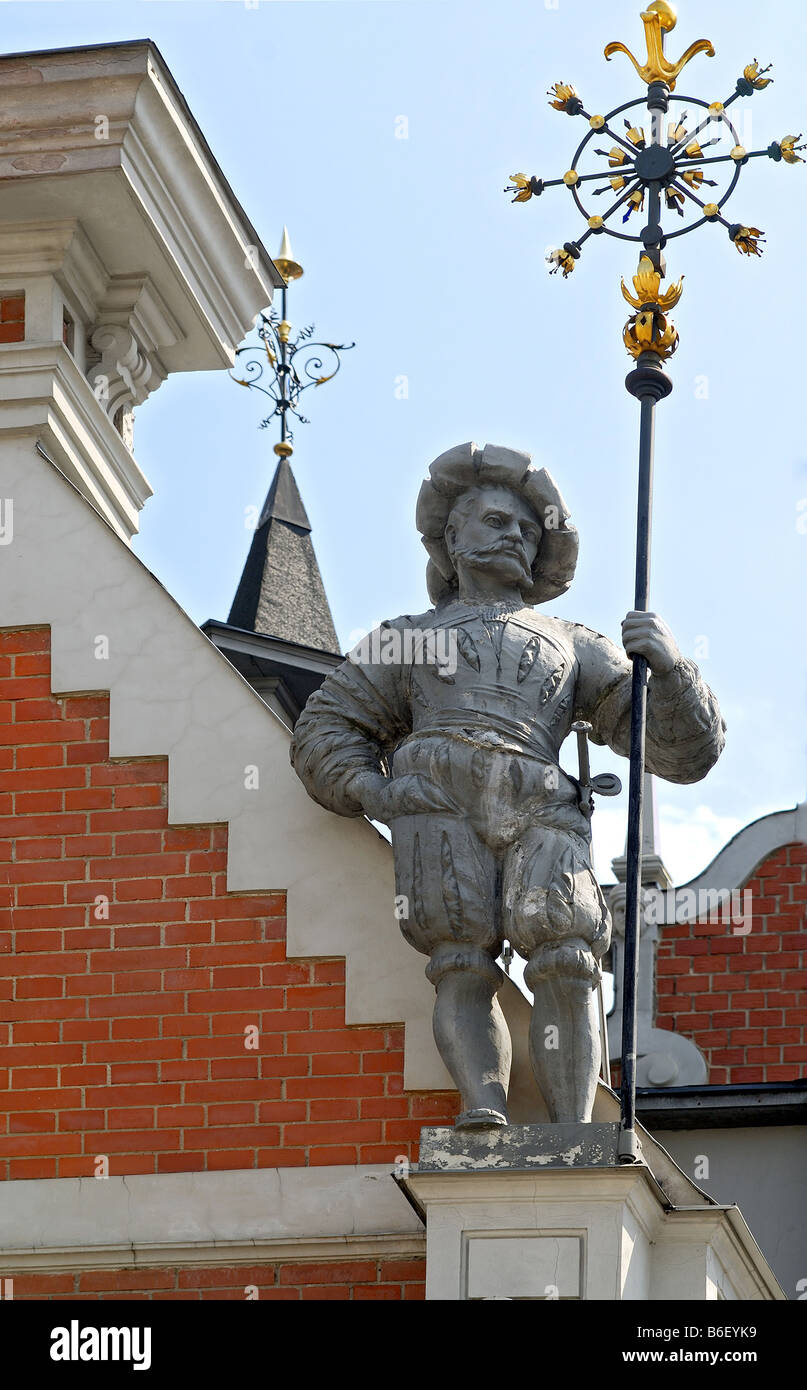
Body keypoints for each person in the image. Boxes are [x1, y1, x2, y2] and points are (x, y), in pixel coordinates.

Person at [290, 442, 724, 1126]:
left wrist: (666, 671)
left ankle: (575, 1128)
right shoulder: (408, 637)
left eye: (528, 527)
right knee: (458, 955)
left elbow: (674, 752)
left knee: (568, 954)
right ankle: (482, 1104)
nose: (516, 533)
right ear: (452, 539)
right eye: (497, 520)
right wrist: (376, 792)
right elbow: (326, 726)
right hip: (436, 796)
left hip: (541, 800)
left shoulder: (574, 640)